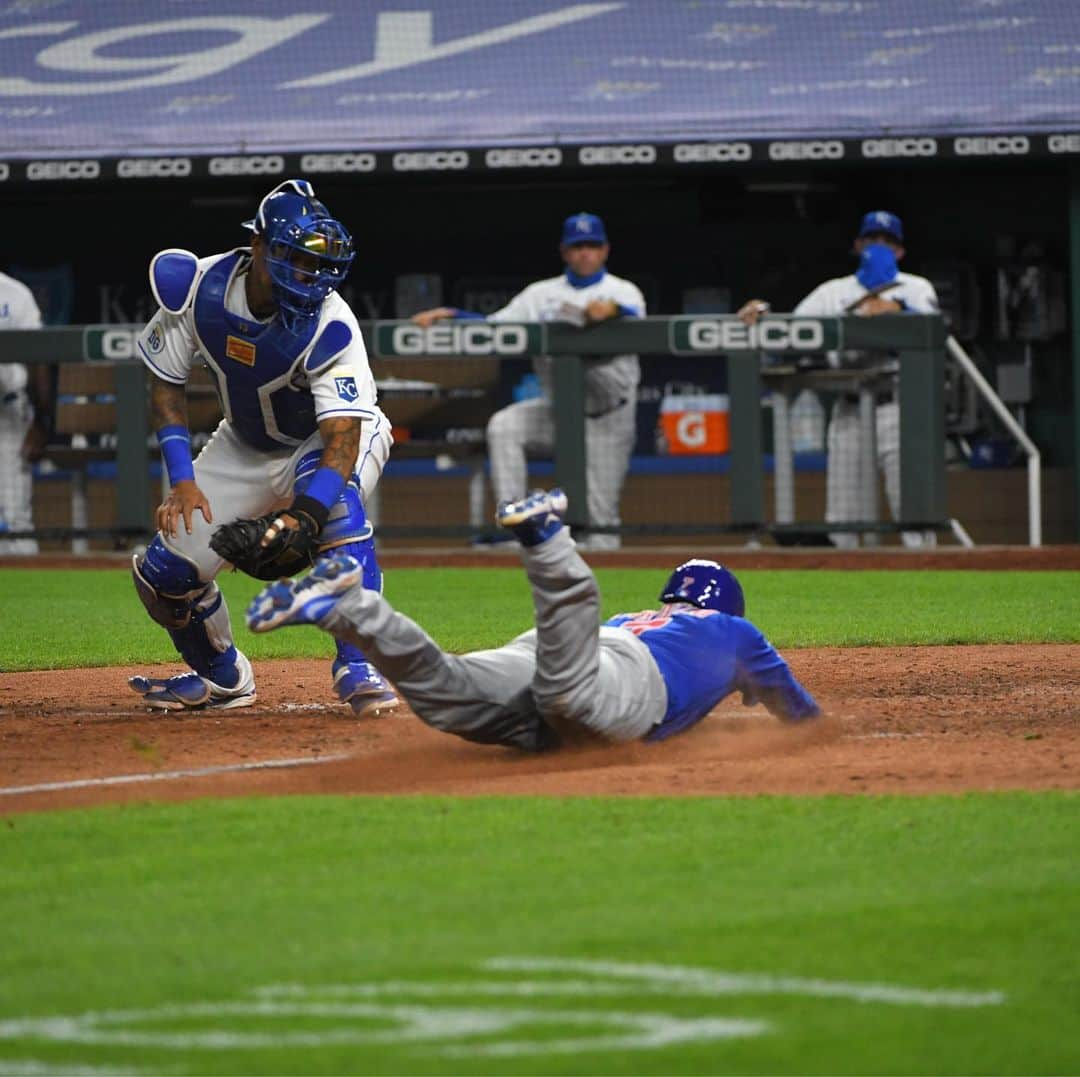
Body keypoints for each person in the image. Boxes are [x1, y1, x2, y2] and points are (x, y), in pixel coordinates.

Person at [246, 488, 820, 751]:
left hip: (557, 655)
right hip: (619, 679)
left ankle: (345, 607)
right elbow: (798, 713)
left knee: (448, 693)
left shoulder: (636, 615)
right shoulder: (734, 633)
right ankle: (547, 540)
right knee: (571, 699)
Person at [128, 178, 397, 715]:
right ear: (258, 246)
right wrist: (181, 479)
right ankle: (224, 678)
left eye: (316, 265)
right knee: (163, 577)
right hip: (243, 445)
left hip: (320, 442)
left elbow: (343, 439)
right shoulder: (196, 288)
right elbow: (165, 382)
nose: (309, 277)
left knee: (336, 513)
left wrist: (307, 513)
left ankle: (359, 663)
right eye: (295, 260)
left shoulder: (331, 323)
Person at [411, 212, 645, 550]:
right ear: (565, 252)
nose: (585, 253)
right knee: (505, 426)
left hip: (607, 419)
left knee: (601, 528)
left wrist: (610, 311)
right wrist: (453, 316)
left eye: (592, 246)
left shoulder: (623, 291)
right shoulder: (540, 295)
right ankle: (518, 527)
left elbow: (634, 315)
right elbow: (494, 327)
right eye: (577, 247)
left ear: (605, 250)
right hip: (558, 414)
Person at [738, 210, 940, 548]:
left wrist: (896, 310)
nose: (879, 247)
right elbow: (790, 331)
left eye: (888, 242)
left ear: (901, 251)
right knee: (843, 521)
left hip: (901, 411)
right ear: (858, 245)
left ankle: (932, 592)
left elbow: (935, 334)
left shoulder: (916, 288)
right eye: (872, 239)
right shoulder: (833, 292)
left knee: (915, 516)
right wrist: (762, 315)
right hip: (849, 412)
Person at [0, 270, 50, 555]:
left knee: (15, 519)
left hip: (8, 418)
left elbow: (38, 358)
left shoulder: (13, 294)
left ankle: (23, 598)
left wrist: (42, 421)